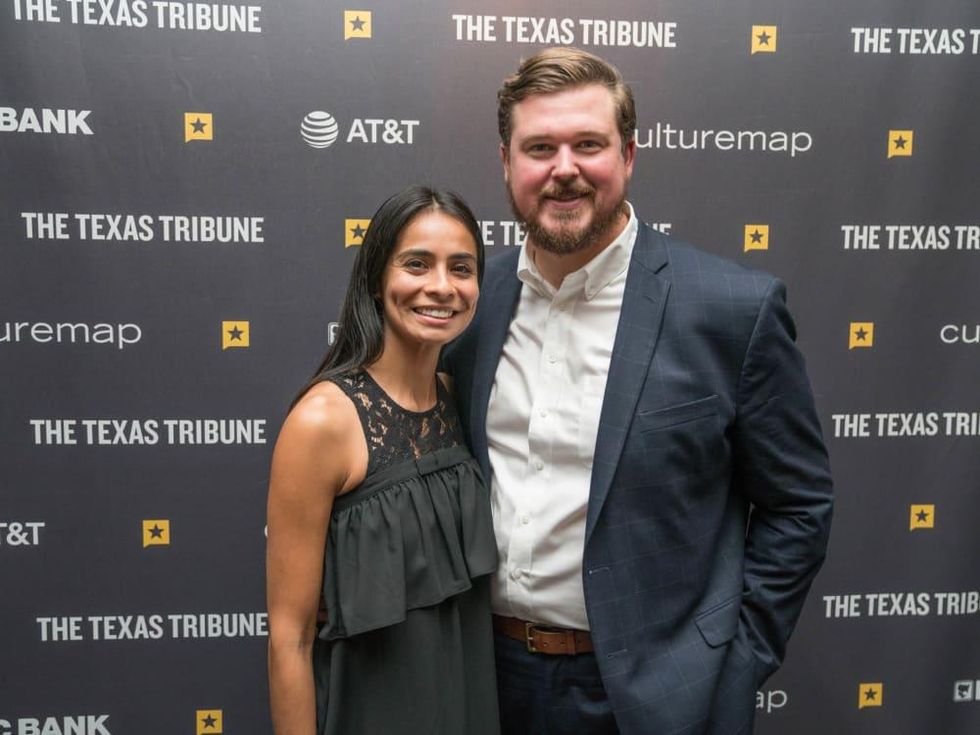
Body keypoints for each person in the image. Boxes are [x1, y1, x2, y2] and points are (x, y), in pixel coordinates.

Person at [441, 48, 834, 735]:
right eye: (540, 147)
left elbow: (798, 505)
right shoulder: (470, 306)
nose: (564, 168)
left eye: (587, 144)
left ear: (628, 154)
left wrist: (733, 662)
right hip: (487, 687)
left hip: (658, 700)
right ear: (506, 162)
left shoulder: (732, 310)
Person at [266, 186, 500, 735]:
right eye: (416, 264)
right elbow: (289, 639)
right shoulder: (324, 421)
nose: (441, 287)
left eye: (461, 268)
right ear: (376, 278)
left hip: (468, 706)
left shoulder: (459, 399)